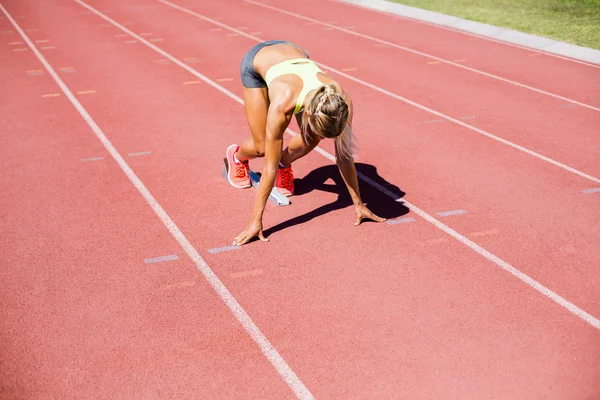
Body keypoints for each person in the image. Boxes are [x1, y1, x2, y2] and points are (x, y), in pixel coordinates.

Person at [225, 40, 385, 246]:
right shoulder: (283, 105)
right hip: (258, 62)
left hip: (295, 56)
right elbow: (268, 169)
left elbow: (343, 157)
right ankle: (237, 157)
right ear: (307, 113)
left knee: (312, 136)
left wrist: (359, 204)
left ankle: (286, 162)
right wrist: (256, 221)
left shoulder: (340, 103)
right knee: (263, 148)